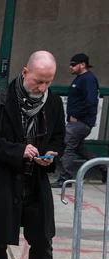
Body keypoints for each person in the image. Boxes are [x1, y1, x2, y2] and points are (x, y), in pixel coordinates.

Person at [0, 50, 68, 259]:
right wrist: (18, 151)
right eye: (38, 81)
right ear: (25, 72)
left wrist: (51, 156)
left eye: (48, 82)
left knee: (43, 238)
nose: (42, 88)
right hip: (3, 180)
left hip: (35, 180)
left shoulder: (52, 103)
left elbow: (58, 138)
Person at [52, 53, 107, 188]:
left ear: (83, 65)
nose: (71, 67)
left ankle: (65, 178)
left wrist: (76, 115)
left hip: (80, 122)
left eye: (73, 64)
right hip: (79, 122)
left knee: (66, 147)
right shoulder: (81, 79)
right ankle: (104, 167)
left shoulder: (88, 79)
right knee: (78, 148)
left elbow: (91, 101)